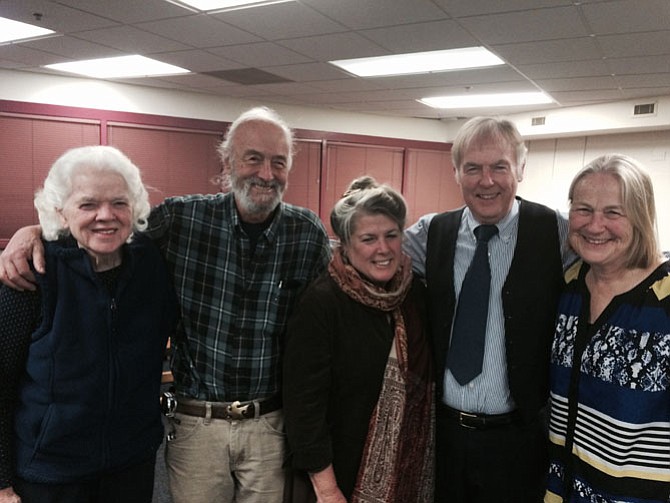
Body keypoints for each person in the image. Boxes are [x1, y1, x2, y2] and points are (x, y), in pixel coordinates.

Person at [0, 107, 332, 503]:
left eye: (279, 162)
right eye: (253, 158)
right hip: (176, 432)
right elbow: (102, 229)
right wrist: (31, 232)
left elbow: (321, 323)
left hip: (242, 432)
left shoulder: (305, 233)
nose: (266, 173)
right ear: (227, 163)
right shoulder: (179, 220)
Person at [403, 116, 573, 502]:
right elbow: (372, 257)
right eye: (473, 168)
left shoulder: (556, 234)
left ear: (521, 170)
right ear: (456, 173)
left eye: (499, 166)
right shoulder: (431, 234)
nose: (487, 181)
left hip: (520, 440)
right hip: (444, 438)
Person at [0, 146, 177, 503]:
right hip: (50, 475)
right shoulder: (31, 274)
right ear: (59, 213)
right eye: (87, 205)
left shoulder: (151, 265)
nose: (105, 216)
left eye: (119, 203)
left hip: (132, 465)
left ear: (136, 208)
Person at [283, 176, 434, 503]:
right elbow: (304, 409)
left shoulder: (414, 295)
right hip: (338, 476)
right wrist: (327, 490)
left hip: (407, 470)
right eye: (369, 238)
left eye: (392, 235)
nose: (383, 249)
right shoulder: (322, 303)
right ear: (346, 245)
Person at [544, 154, 670, 503]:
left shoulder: (665, 299)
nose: (595, 225)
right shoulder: (569, 287)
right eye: (583, 209)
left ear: (641, 218)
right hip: (561, 490)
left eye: (613, 212)